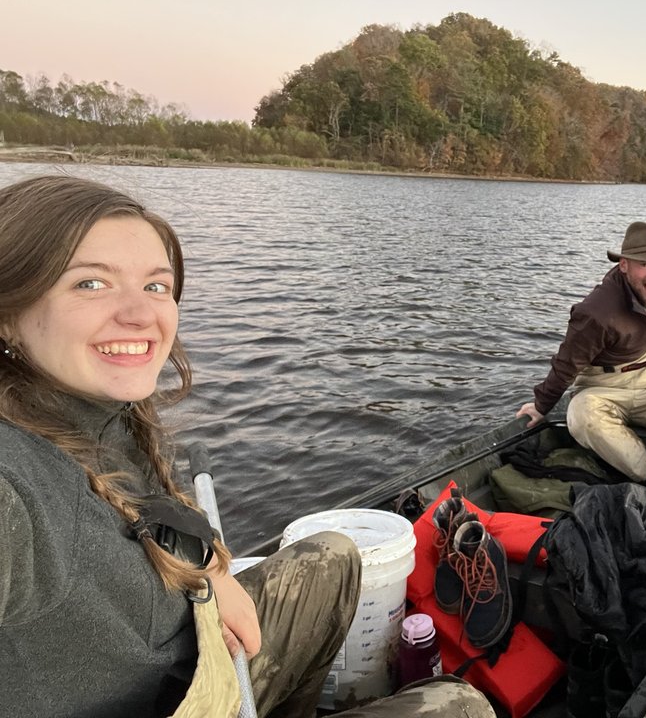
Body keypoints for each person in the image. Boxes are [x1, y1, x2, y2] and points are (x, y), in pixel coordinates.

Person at [0, 175, 495, 718]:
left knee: (335, 557)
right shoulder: (16, 485)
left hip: (197, 657)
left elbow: (151, 513)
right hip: (176, 701)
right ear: (9, 313)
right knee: (459, 705)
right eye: (90, 284)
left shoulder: (99, 406)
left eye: (156, 286)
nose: (140, 314)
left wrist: (212, 572)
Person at [516, 220, 646, 510]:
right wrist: (541, 405)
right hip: (605, 389)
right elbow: (566, 363)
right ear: (624, 265)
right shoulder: (596, 312)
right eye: (645, 265)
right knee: (581, 415)